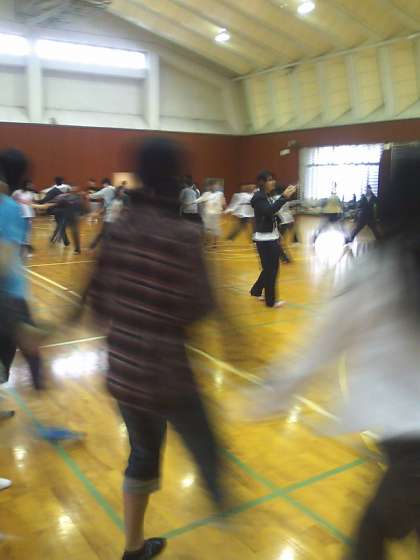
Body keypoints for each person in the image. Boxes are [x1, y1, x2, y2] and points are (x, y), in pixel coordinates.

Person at [247, 143, 420, 559]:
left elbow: (319, 346)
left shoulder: (380, 272)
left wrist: (266, 398)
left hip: (411, 443)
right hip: (405, 444)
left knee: (371, 533)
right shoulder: (385, 270)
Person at [87, 137, 226, 560]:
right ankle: (222, 499)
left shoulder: (118, 230)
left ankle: (133, 548)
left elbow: (98, 304)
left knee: (143, 454)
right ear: (176, 179)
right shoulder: (184, 236)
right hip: (167, 374)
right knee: (207, 447)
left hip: (124, 370)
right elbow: (199, 308)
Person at [250, 171, 296, 308]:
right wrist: (284, 197)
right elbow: (268, 211)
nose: (273, 182)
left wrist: (277, 231)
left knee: (268, 269)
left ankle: (257, 290)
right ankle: (270, 301)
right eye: (270, 180)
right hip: (264, 239)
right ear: (262, 182)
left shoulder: (266, 196)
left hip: (271, 236)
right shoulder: (258, 197)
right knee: (271, 270)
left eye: (273, 179)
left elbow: (271, 214)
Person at [88, 178, 116, 250]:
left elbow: (95, 195)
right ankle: (93, 246)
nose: (103, 186)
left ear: (105, 184)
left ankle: (95, 246)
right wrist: (100, 212)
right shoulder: (115, 189)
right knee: (105, 231)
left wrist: (88, 195)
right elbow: (108, 204)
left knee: (104, 232)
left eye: (103, 185)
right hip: (115, 215)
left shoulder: (106, 189)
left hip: (109, 216)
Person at [196, 181, 226, 247]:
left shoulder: (220, 194)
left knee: (215, 229)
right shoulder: (207, 194)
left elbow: (223, 203)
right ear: (210, 187)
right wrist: (192, 202)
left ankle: (215, 243)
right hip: (208, 214)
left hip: (216, 214)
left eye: (217, 186)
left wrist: (224, 211)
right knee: (207, 229)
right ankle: (206, 241)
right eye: (214, 186)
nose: (215, 187)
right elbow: (200, 200)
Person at [12, 179, 36, 256]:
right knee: (18, 231)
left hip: (28, 215)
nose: (31, 186)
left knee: (27, 232)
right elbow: (11, 201)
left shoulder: (31, 194)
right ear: (25, 184)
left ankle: (26, 249)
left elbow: (31, 204)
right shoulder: (17, 192)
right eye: (29, 184)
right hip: (19, 215)